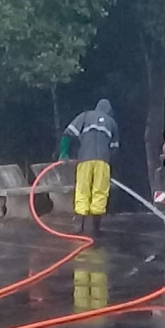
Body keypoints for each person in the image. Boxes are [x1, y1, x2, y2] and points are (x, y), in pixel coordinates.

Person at [59, 98, 120, 237]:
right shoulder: (112, 123)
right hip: (103, 161)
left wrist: (64, 153)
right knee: (100, 192)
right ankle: (95, 229)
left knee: (82, 189)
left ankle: (79, 227)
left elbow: (67, 134)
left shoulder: (85, 116)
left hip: (85, 159)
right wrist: (110, 165)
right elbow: (115, 149)